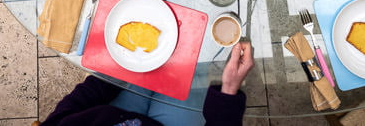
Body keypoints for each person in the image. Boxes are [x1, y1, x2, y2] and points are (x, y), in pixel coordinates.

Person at [40, 41, 255, 125]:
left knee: (149, 52)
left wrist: (118, 64)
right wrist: (228, 90)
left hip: (114, 112)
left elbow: (73, 107)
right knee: (191, 61)